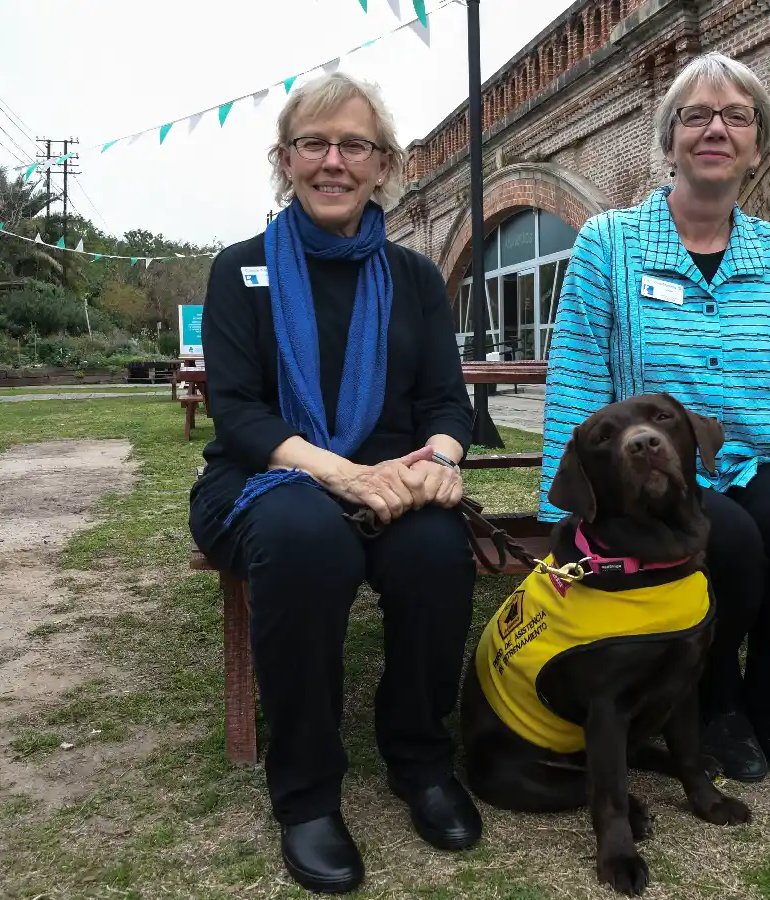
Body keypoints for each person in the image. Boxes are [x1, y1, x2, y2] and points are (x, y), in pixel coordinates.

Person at [189, 71, 482, 895]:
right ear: (284, 159)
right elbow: (239, 414)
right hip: (267, 479)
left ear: (383, 164)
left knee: (434, 553)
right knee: (305, 541)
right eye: (313, 143)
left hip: (393, 479)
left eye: (353, 144)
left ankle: (421, 760)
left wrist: (440, 465)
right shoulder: (239, 270)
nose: (332, 161)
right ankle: (309, 792)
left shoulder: (417, 279)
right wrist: (345, 476)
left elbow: (445, 404)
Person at [538, 52, 770, 793]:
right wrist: (569, 516)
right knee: (732, 541)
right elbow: (577, 378)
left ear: (756, 142)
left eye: (736, 116)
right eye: (696, 115)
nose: (716, 128)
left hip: (757, 453)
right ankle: (715, 705)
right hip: (653, 475)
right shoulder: (608, 243)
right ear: (669, 137)